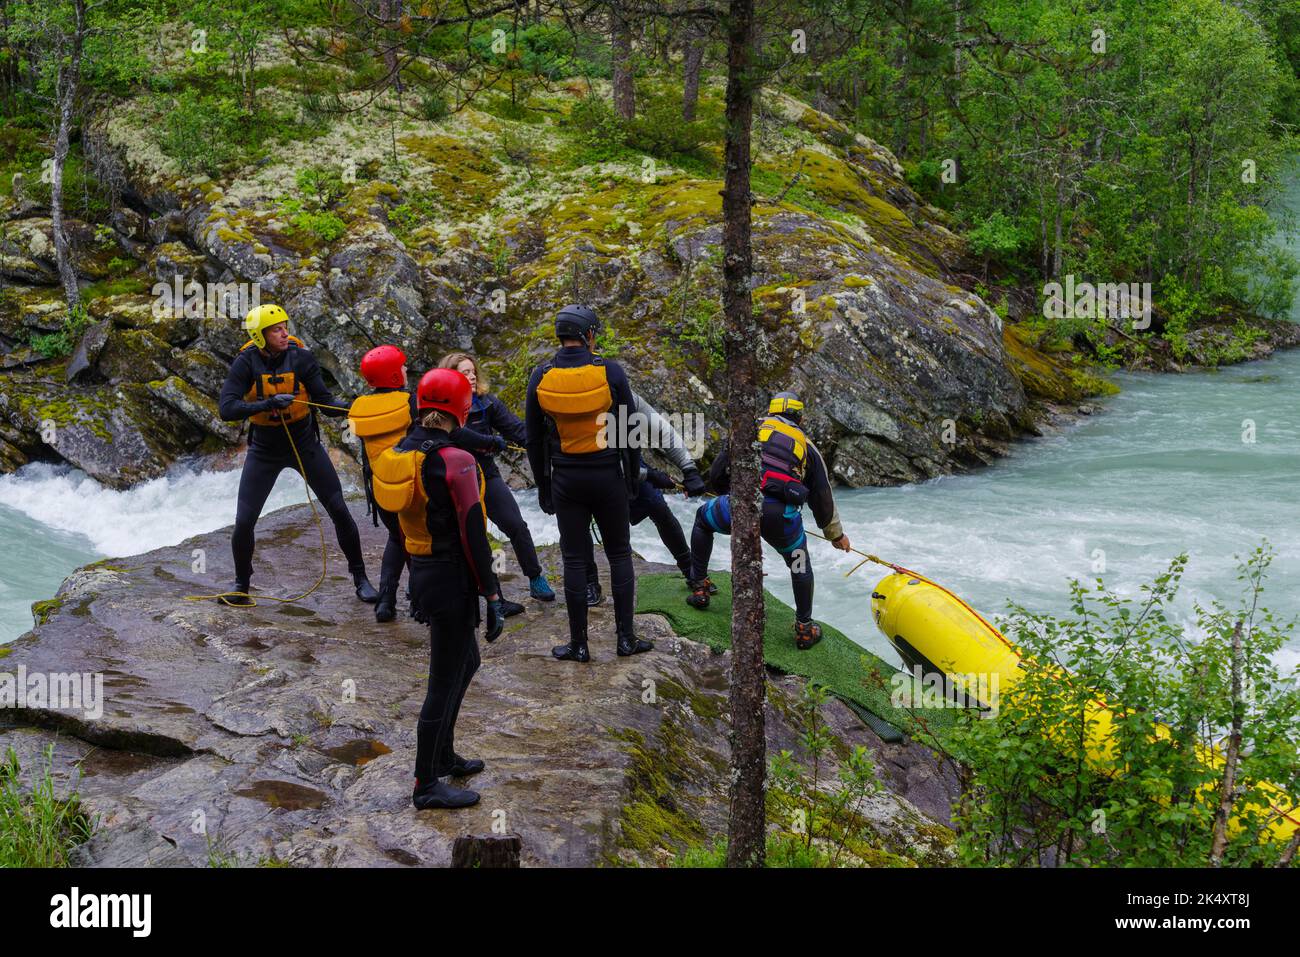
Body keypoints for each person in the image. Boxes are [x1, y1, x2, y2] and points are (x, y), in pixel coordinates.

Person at [370, 368, 506, 810]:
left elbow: (394, 527)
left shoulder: (397, 454)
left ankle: (444, 755)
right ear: (460, 408)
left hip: (426, 570)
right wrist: (491, 593)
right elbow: (472, 531)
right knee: (442, 681)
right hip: (452, 577)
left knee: (467, 661)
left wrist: (412, 574)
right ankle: (425, 784)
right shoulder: (456, 461)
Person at [217, 304, 378, 607]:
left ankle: (361, 579)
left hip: (305, 444)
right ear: (259, 335)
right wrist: (265, 405)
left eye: (284, 327)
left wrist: (362, 407)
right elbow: (226, 409)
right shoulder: (246, 363)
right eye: (276, 329)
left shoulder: (301, 357)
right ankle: (241, 585)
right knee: (244, 521)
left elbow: (325, 402)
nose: (284, 333)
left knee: (339, 509)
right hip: (264, 450)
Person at [525, 304, 652, 662]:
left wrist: (543, 487)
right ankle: (626, 639)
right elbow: (629, 428)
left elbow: (534, 439)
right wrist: (632, 478)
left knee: (575, 560)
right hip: (607, 475)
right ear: (589, 335)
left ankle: (579, 645)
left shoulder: (541, 374)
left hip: (566, 479)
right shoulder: (609, 370)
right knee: (618, 554)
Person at [684, 391, 851, 650]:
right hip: (780, 518)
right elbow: (821, 495)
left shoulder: (749, 429)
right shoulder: (806, 445)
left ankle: (699, 587)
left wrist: (727, 497)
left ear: (771, 412)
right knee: (800, 565)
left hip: (738, 507)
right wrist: (835, 536)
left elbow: (718, 471)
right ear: (800, 418)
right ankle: (804, 629)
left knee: (702, 520)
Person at [438, 352, 555, 614]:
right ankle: (496, 599)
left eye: (472, 372)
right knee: (474, 536)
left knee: (516, 525)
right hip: (455, 480)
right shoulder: (442, 407)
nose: (470, 377)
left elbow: (517, 430)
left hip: (487, 475)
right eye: (463, 373)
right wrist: (490, 443)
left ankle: (535, 578)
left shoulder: (486, 403)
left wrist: (547, 441)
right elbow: (454, 435)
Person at [582, 388, 708, 606]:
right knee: (583, 522)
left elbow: (663, 431)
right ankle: (590, 582)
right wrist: (650, 475)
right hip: (587, 469)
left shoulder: (627, 397)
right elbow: (601, 465)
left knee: (658, 507)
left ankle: (692, 572)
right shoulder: (581, 403)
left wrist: (689, 469)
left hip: (627, 462)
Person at [349, 344, 417, 623]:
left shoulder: (358, 408)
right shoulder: (411, 402)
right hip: (411, 487)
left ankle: (386, 602)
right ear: (393, 376)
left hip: (379, 488)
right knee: (414, 540)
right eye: (402, 367)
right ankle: (419, 601)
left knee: (396, 537)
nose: (405, 370)